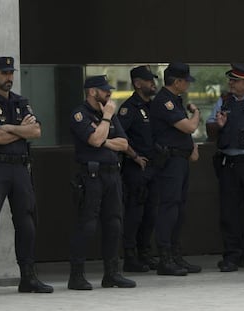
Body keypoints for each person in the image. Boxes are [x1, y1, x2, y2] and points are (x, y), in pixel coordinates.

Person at [0, 56, 53, 297]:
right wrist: (21, 131)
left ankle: (27, 277)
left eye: (11, 73)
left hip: (20, 169)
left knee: (26, 221)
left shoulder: (20, 102)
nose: (9, 77)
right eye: (4, 73)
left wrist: (9, 128)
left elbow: (36, 131)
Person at [68, 75, 136, 290]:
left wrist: (104, 138)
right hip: (92, 176)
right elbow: (94, 140)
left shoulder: (108, 113)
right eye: (105, 90)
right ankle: (76, 275)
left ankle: (112, 274)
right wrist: (106, 119)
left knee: (114, 224)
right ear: (92, 91)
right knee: (87, 225)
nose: (109, 94)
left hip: (112, 175)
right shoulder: (80, 114)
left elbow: (124, 144)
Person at [205, 63, 244, 272]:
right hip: (229, 164)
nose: (230, 84)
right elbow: (209, 130)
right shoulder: (224, 101)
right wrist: (218, 125)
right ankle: (233, 256)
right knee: (229, 212)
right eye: (230, 80)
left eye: (235, 80)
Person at [149, 62, 202, 276]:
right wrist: (196, 112)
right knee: (169, 208)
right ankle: (165, 257)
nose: (188, 84)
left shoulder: (175, 100)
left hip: (180, 160)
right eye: (186, 81)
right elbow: (188, 127)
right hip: (169, 162)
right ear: (177, 81)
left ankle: (175, 254)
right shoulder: (165, 101)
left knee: (178, 209)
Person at [117, 65, 159, 272]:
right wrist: (133, 155)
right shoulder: (129, 108)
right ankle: (130, 256)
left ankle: (145, 253)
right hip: (136, 169)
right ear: (137, 83)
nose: (153, 83)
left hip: (154, 167)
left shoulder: (153, 106)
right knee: (135, 214)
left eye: (153, 79)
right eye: (149, 80)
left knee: (151, 213)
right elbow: (119, 135)